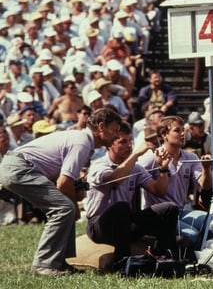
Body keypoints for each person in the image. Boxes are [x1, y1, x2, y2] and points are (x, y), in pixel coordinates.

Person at [0, 108, 122, 276]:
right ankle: (43, 265)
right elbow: (63, 183)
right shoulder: (82, 142)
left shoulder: (81, 139)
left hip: (16, 166)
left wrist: (74, 192)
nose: (117, 135)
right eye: (115, 130)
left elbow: (65, 181)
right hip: (19, 168)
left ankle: (59, 262)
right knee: (65, 208)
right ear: (101, 127)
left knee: (65, 207)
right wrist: (75, 207)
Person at [85, 122, 178, 265]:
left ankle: (160, 255)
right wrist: (135, 155)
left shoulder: (135, 168)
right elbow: (115, 179)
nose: (129, 145)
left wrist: (163, 169)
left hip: (126, 223)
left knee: (169, 208)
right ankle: (123, 260)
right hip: (100, 226)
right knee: (121, 207)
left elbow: (159, 191)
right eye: (123, 142)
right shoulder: (99, 165)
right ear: (110, 145)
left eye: (130, 141)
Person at [139, 116, 212, 252]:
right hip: (160, 216)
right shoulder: (152, 157)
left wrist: (206, 168)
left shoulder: (191, 157)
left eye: (183, 130)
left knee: (211, 223)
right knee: (193, 235)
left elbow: (205, 185)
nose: (183, 134)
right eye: (177, 131)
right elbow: (135, 176)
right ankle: (187, 261)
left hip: (181, 211)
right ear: (164, 135)